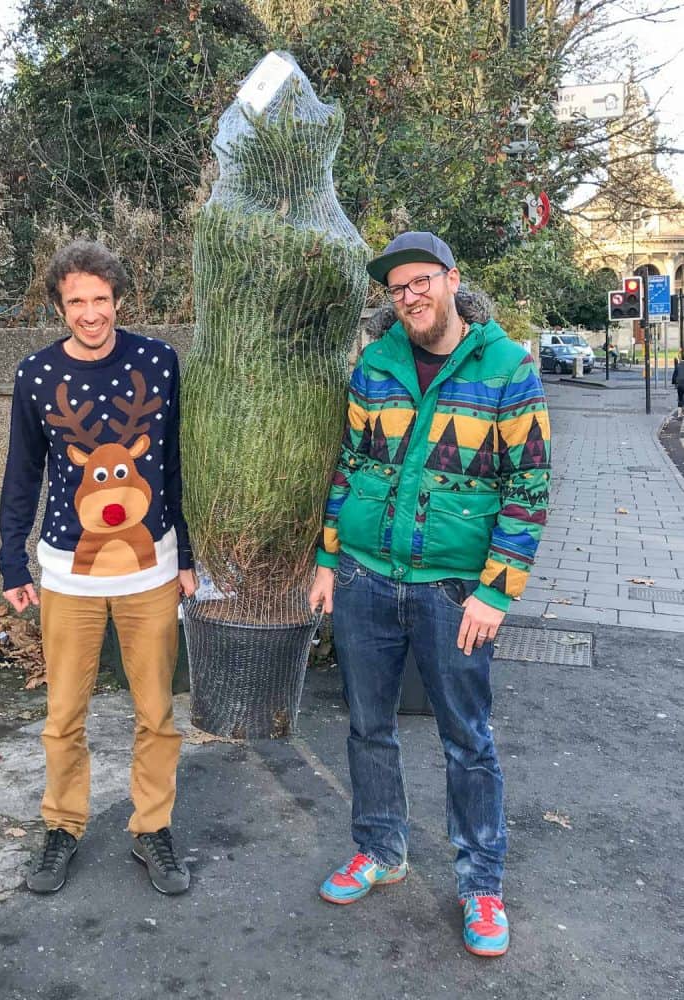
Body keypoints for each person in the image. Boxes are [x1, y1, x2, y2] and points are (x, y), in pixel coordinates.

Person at [308, 232, 550, 957]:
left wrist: (495, 594)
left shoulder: (507, 368)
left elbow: (528, 488)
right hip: (364, 576)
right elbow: (350, 465)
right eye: (396, 289)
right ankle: (380, 849)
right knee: (367, 726)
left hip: (453, 592)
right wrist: (327, 559)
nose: (408, 297)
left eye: (419, 282)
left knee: (467, 742)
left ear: (450, 280)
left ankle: (481, 885)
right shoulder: (375, 365)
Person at [0, 240, 197, 895]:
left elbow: (171, 468)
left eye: (100, 299)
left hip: (152, 572)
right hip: (68, 575)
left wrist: (188, 558)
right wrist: (11, 559)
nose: (91, 313)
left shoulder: (159, 362)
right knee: (63, 716)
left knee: (156, 713)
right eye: (77, 302)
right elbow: (23, 474)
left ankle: (152, 828)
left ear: (118, 298)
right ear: (60, 305)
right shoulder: (35, 375)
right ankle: (61, 827)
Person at [672, 352, 684, 417]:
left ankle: (679, 414)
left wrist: (674, 383)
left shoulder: (678, 366)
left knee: (680, 398)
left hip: (679, 385)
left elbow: (674, 376)